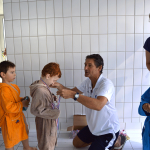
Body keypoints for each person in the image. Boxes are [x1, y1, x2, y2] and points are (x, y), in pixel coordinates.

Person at [52, 54, 120, 150]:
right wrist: (59, 86)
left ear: (99, 68)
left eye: (89, 65)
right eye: (85, 65)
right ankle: (99, 142)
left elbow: (98, 105)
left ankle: (116, 141)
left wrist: (73, 95)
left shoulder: (106, 84)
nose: (85, 68)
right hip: (93, 128)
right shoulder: (88, 82)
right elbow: (72, 92)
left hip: (107, 130)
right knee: (76, 143)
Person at [0, 60, 37, 150]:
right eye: (12, 72)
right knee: (10, 139)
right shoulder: (3, 90)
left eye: (14, 72)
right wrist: (22, 104)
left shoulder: (13, 86)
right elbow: (8, 107)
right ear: (3, 74)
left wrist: (21, 99)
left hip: (18, 115)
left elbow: (14, 99)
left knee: (24, 131)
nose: (15, 74)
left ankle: (26, 147)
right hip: (8, 119)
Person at [29, 62, 61, 150]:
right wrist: (55, 113)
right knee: (46, 144)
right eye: (54, 80)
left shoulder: (44, 86)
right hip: (44, 123)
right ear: (48, 76)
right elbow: (35, 110)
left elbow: (42, 100)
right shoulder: (40, 90)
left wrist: (52, 97)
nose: (54, 83)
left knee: (49, 142)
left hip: (47, 120)